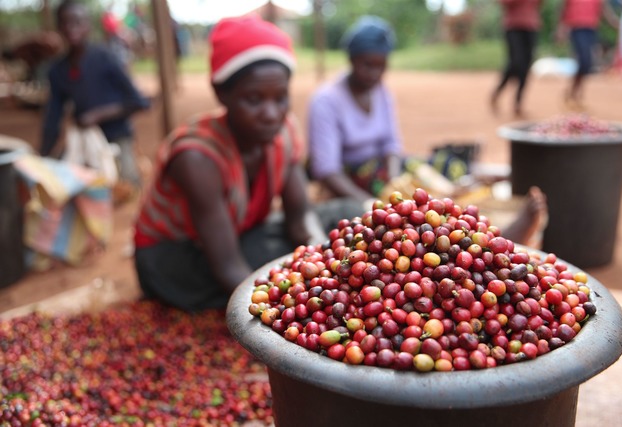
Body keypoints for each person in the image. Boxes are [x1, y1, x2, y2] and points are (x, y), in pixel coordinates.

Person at [133, 15, 362, 312]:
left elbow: (299, 216)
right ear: (221, 94)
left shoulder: (284, 131)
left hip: (237, 236)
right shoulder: (197, 157)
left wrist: (320, 260)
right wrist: (288, 310)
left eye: (280, 98)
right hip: (180, 259)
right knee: (274, 261)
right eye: (254, 99)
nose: (270, 113)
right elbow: (228, 266)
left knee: (349, 215)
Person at [307, 15, 548, 247]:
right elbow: (327, 170)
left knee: (442, 167)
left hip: (384, 169)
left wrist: (394, 181)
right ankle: (490, 235)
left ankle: (470, 226)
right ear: (352, 59)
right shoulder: (326, 101)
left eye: (381, 66)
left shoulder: (380, 91)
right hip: (351, 178)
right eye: (367, 65)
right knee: (410, 203)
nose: (374, 74)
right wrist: (367, 202)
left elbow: (391, 145)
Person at [40, 0, 150, 191]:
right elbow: (53, 118)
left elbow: (137, 102)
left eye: (77, 22)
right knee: (65, 183)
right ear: (58, 27)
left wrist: (98, 115)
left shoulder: (105, 57)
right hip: (84, 139)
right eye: (65, 23)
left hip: (116, 135)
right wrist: (42, 156)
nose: (71, 28)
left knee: (124, 186)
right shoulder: (57, 70)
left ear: (87, 26)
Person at [556, 0, 619, 110]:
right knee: (584, 60)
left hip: (591, 29)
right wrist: (560, 28)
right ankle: (574, 94)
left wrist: (616, 23)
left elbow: (605, 10)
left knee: (586, 63)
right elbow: (563, 9)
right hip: (576, 29)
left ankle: (574, 93)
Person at [490, 0, 544, 117]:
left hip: (531, 26)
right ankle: (498, 91)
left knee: (526, 65)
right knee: (515, 62)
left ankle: (518, 103)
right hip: (513, 27)